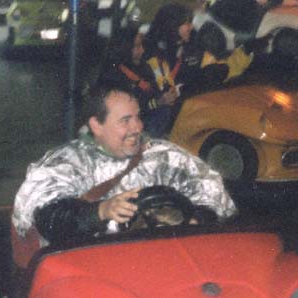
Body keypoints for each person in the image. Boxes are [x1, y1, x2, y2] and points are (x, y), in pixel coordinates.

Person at [12, 82, 237, 245]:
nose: (137, 127)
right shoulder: (64, 164)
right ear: (96, 126)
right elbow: (49, 218)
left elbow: (211, 191)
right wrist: (100, 210)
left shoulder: (163, 156)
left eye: (137, 117)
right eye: (125, 121)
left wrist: (196, 218)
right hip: (92, 267)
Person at [142, 2, 269, 98]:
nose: (191, 27)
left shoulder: (193, 48)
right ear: (171, 26)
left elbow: (225, 70)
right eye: (186, 23)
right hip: (168, 117)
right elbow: (165, 93)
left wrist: (246, 51)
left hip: (192, 105)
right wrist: (191, 86)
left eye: (190, 22)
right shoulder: (153, 53)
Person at [98, 27, 178, 138]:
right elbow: (126, 109)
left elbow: (153, 93)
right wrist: (158, 103)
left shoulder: (143, 67)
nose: (142, 50)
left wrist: (166, 96)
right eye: (137, 46)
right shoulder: (113, 74)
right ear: (125, 48)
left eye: (141, 46)